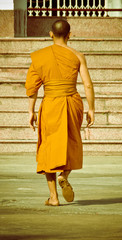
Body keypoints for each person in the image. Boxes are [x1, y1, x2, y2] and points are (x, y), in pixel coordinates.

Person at [25, 20, 95, 206]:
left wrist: (31, 111)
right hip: (72, 102)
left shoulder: (40, 57)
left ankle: (54, 198)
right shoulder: (78, 55)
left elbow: (32, 88)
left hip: (50, 104)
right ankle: (63, 175)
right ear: (69, 35)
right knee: (71, 142)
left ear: (50, 34)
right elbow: (87, 84)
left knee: (48, 147)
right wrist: (91, 108)